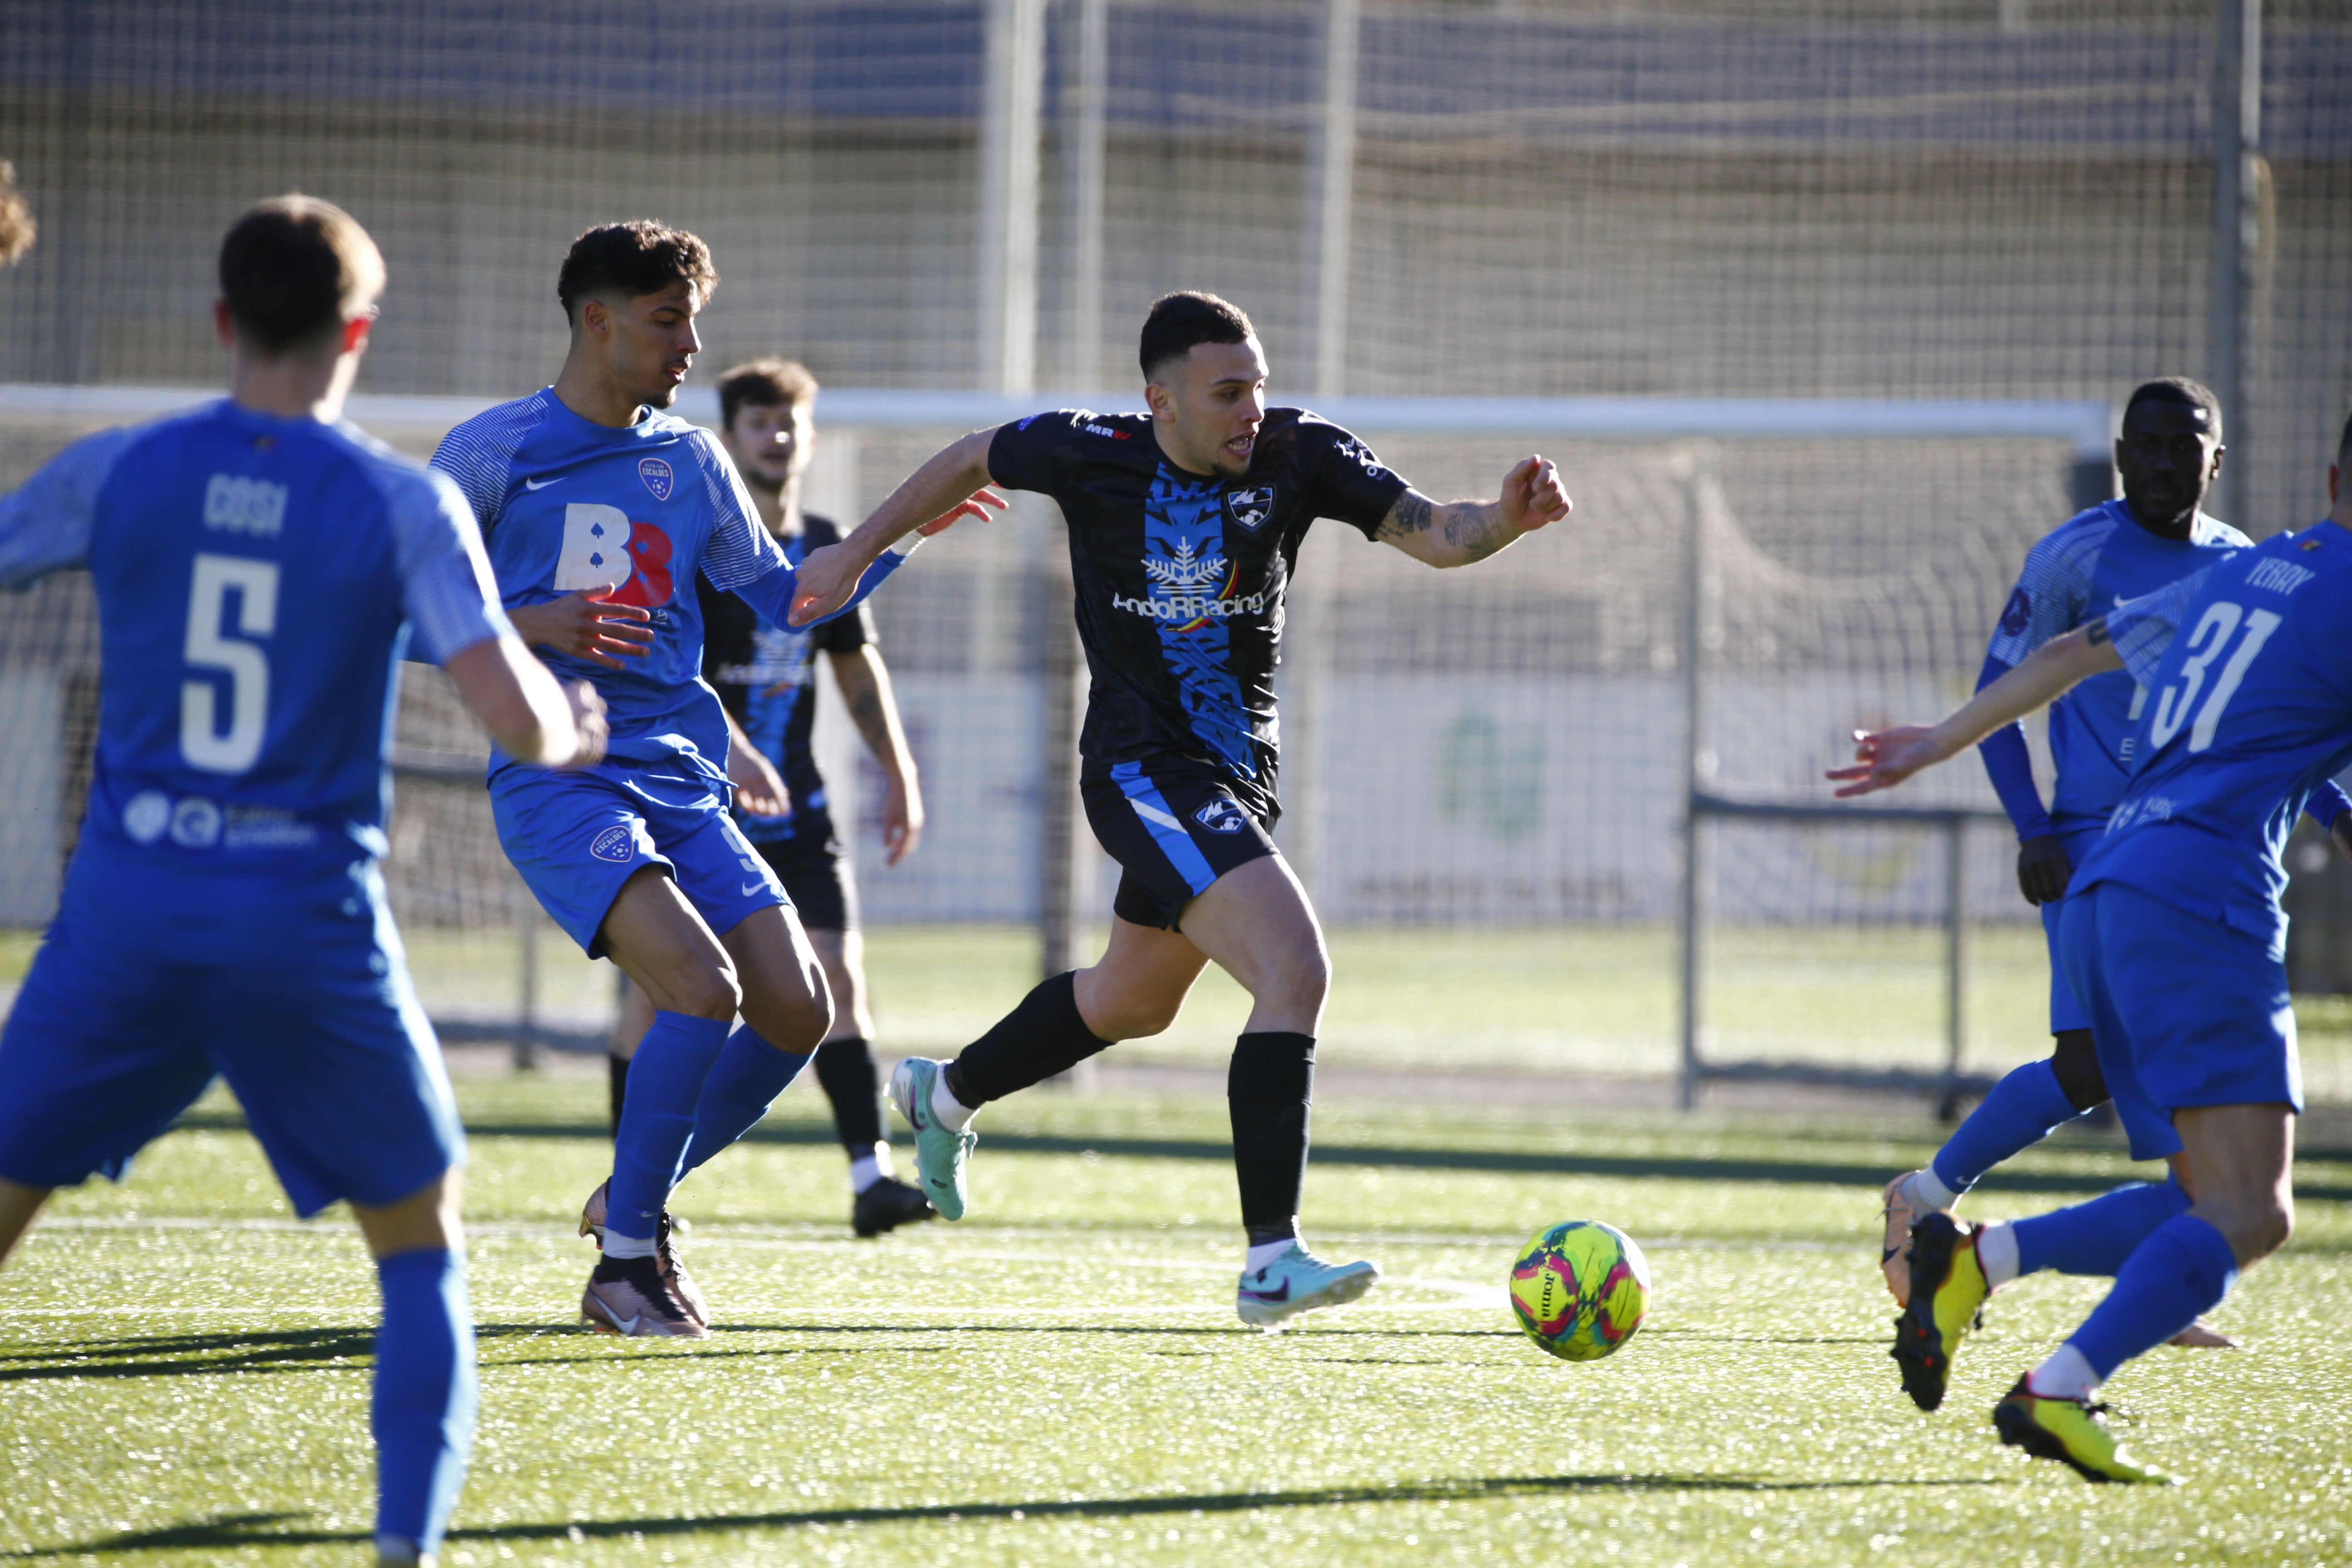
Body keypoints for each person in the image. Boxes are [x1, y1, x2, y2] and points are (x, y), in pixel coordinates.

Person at [0, 196, 602, 1568]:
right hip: (305, 932)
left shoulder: (122, 471)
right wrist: (574, 720)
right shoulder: (401, 499)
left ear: (223, 321)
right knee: (420, 1253)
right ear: (360, 332)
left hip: (126, 927)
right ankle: (403, 1547)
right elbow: (516, 721)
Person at [792, 290, 1573, 1327]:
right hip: (1140, 771)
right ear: (1161, 401)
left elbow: (1437, 532)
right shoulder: (1089, 450)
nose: (1252, 408)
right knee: (1295, 968)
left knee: (1131, 1002)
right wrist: (856, 553)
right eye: (1228, 391)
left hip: (1234, 777)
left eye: (1258, 385)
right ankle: (1271, 1260)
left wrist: (1506, 523)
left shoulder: (1304, 455)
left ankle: (943, 1097)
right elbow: (978, 452)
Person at [431, 222, 985, 1338]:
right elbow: (391, 608)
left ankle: (631, 1203)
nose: (691, 345)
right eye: (667, 319)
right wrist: (523, 620)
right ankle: (628, 1265)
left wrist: (908, 531)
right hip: (564, 779)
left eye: (692, 319)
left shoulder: (690, 459)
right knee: (697, 988)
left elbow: (787, 597)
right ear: (599, 320)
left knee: (797, 1004)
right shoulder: (491, 453)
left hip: (683, 784)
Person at [1828, 412, 2352, 1480]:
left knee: (2204, 1196)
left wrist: (1937, 741)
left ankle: (1976, 1262)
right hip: (2205, 895)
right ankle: (2057, 1388)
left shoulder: (2251, 574)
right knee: (2253, 1211)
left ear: (2332, 474)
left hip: (2117, 879)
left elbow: (2073, 652)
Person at [607, 358, 936, 1237]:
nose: (777, 437)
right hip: (694, 803)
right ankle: (635, 1187)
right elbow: (670, 677)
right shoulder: (704, 549)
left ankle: (872, 1179)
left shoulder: (828, 543)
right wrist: (739, 755)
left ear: (809, 436)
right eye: (759, 422)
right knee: (656, 996)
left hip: (799, 814)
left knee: (836, 977)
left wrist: (899, 774)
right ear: (731, 437)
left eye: (790, 422)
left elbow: (858, 671)